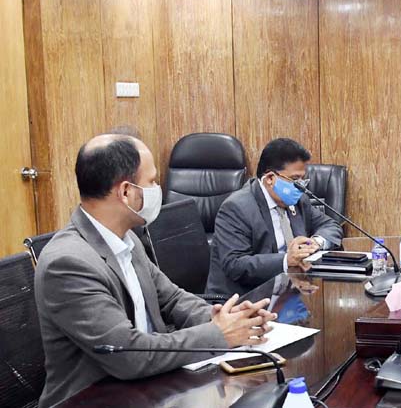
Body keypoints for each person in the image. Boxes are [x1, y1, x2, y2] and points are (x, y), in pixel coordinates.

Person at [34, 134, 276, 407]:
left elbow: (171, 298)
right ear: (126, 192)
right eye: (150, 182)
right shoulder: (68, 263)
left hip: (149, 387)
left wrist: (225, 318)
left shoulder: (127, 238)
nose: (157, 188)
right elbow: (127, 353)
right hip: (94, 397)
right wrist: (218, 334)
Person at [207, 138, 342, 296]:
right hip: (243, 300)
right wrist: (286, 260)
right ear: (270, 178)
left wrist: (315, 242)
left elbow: (332, 226)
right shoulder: (236, 208)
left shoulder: (299, 201)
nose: (301, 187)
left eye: (302, 179)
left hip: (288, 292)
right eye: (294, 180)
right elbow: (235, 265)